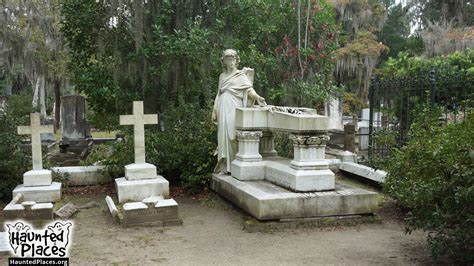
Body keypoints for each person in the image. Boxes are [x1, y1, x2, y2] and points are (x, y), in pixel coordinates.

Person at [212, 49, 267, 174]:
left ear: (237, 61)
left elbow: (248, 90)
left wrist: (257, 97)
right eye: (228, 59)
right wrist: (214, 109)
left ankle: (235, 164)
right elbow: (218, 94)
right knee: (223, 136)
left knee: (233, 135)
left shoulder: (240, 75)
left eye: (232, 59)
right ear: (224, 61)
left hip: (234, 106)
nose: (230, 62)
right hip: (222, 107)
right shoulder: (222, 76)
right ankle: (225, 166)